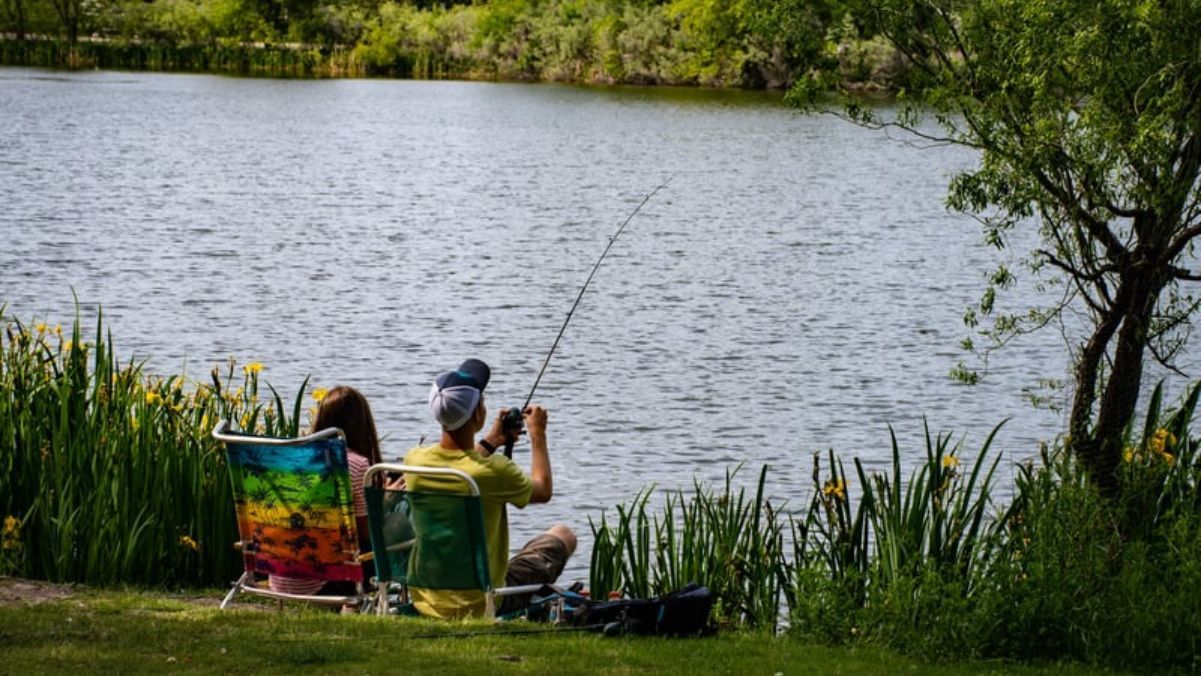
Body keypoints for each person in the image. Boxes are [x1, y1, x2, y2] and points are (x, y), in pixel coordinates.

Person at [403, 358, 577, 619]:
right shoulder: (494, 471)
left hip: (426, 597)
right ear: (477, 413)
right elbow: (543, 490)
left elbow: (463, 466)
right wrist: (538, 434)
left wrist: (493, 440)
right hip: (482, 599)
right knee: (563, 535)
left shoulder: (415, 462)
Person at [269, 385, 381, 597]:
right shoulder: (356, 465)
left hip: (281, 576)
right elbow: (366, 533)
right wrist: (384, 502)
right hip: (325, 582)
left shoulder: (293, 460)